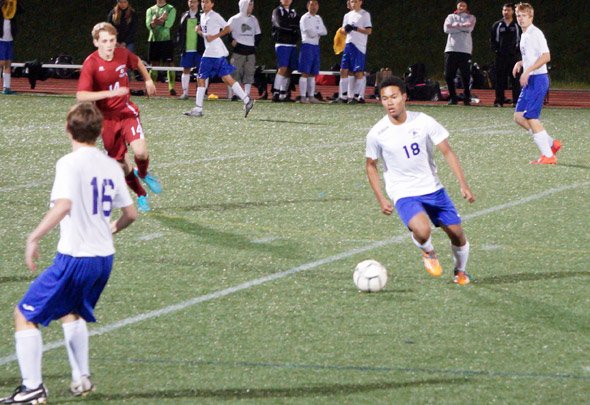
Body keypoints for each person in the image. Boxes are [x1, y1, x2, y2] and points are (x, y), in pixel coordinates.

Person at [0, 102, 137, 404]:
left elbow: (63, 205)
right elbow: (131, 214)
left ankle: (32, 388)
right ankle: (82, 379)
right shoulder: (111, 166)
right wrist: (110, 229)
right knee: (70, 311)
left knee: (24, 315)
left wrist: (33, 237)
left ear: (67, 129)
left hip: (75, 258)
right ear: (99, 131)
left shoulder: (69, 163)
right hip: (104, 258)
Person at [365, 76, 475, 285]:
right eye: (384, 98)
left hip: (432, 188)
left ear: (404, 97)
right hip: (403, 191)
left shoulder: (423, 121)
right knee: (422, 231)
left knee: (457, 235)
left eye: (394, 97)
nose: (389, 102)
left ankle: (460, 272)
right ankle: (428, 252)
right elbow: (370, 165)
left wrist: (463, 184)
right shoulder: (377, 133)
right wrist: (381, 198)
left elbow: (447, 152)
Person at [77, 22, 162, 213]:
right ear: (96, 42)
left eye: (112, 40)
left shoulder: (122, 54)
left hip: (126, 112)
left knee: (140, 152)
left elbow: (137, 61)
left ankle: (143, 173)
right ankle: (141, 195)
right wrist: (108, 95)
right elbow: (81, 95)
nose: (109, 45)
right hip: (106, 119)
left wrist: (148, 80)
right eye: (105, 41)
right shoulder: (91, 64)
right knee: (121, 163)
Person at [183, 0, 254, 118]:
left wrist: (215, 36)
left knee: (201, 79)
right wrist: (199, 31)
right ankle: (247, 100)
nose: (204, 4)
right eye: (202, 2)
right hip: (214, 53)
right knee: (227, 79)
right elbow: (207, 35)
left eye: (206, 2)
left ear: (212, 4)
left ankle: (198, 109)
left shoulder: (215, 16)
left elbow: (228, 28)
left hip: (212, 53)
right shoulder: (203, 16)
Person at [512, 3, 561, 165]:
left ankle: (549, 155)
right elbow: (532, 56)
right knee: (519, 117)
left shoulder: (535, 33)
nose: (520, 19)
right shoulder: (524, 34)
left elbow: (546, 56)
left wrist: (528, 71)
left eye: (524, 16)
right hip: (530, 80)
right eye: (518, 15)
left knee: (531, 116)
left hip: (538, 79)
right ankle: (551, 143)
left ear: (531, 17)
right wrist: (521, 63)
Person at [332, 0, 372, 104]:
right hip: (348, 44)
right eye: (351, 1)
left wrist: (355, 28)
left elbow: (368, 31)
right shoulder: (347, 15)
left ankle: (356, 96)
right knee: (344, 70)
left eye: (355, 1)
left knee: (358, 72)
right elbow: (343, 30)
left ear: (360, 2)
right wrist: (345, 30)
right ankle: (343, 96)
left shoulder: (365, 14)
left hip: (359, 46)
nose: (353, 3)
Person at [443, 1, 476, 105]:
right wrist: (462, 27)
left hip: (465, 50)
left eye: (464, 5)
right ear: (457, 6)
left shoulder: (471, 17)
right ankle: (453, 97)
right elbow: (446, 29)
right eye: (460, 5)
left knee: (465, 75)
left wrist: (455, 26)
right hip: (451, 49)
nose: (461, 7)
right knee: (448, 75)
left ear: (466, 7)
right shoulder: (450, 16)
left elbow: (469, 28)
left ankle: (467, 97)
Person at [227, 0, 261, 101]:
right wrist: (231, 41)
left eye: (252, 5)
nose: (252, 7)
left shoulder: (254, 19)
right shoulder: (234, 19)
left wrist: (254, 46)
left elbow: (258, 35)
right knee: (235, 72)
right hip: (238, 51)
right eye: (250, 4)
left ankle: (246, 94)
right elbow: (225, 31)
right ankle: (235, 94)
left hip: (250, 52)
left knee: (249, 73)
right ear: (244, 5)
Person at [490, 3, 521, 107]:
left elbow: (521, 40)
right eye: (504, 10)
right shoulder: (497, 25)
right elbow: (493, 40)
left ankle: (516, 101)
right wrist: (496, 50)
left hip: (513, 57)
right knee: (500, 79)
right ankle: (499, 100)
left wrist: (517, 52)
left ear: (513, 11)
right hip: (500, 57)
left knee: (515, 79)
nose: (506, 12)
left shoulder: (517, 25)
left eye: (508, 10)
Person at [298, 0, 327, 104]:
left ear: (318, 6)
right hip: (307, 46)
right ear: (307, 6)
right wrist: (318, 32)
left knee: (313, 74)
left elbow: (325, 31)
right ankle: (302, 97)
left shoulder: (318, 18)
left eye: (315, 4)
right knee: (305, 73)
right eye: (311, 5)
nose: (314, 7)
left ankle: (311, 96)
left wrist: (317, 32)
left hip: (315, 46)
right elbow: (310, 33)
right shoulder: (305, 18)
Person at [146, 0, 177, 95]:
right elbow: (149, 25)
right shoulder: (150, 10)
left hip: (166, 40)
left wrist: (156, 21)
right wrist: (161, 19)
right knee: (153, 64)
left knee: (170, 63)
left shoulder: (171, 9)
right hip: (153, 40)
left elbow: (169, 24)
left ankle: (171, 88)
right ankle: (151, 88)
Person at [271, 0, 299, 102]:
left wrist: (291, 27)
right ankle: (276, 93)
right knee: (282, 68)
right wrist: (292, 28)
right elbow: (279, 24)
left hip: (292, 44)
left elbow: (297, 24)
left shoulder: (294, 11)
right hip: (282, 43)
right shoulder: (277, 11)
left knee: (289, 69)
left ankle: (283, 94)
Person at [176, 0, 205, 100]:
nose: (191, 3)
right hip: (187, 49)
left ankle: (202, 93)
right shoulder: (184, 15)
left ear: (198, 3)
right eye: (190, 1)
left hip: (200, 49)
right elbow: (179, 31)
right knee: (185, 70)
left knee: (202, 71)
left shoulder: (203, 15)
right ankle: (185, 93)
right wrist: (180, 44)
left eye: (194, 1)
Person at [0, 0, 24, 94]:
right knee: (1, 63)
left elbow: (22, 10)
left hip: (9, 40)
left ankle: (6, 88)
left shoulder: (12, 10)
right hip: (0, 40)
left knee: (8, 64)